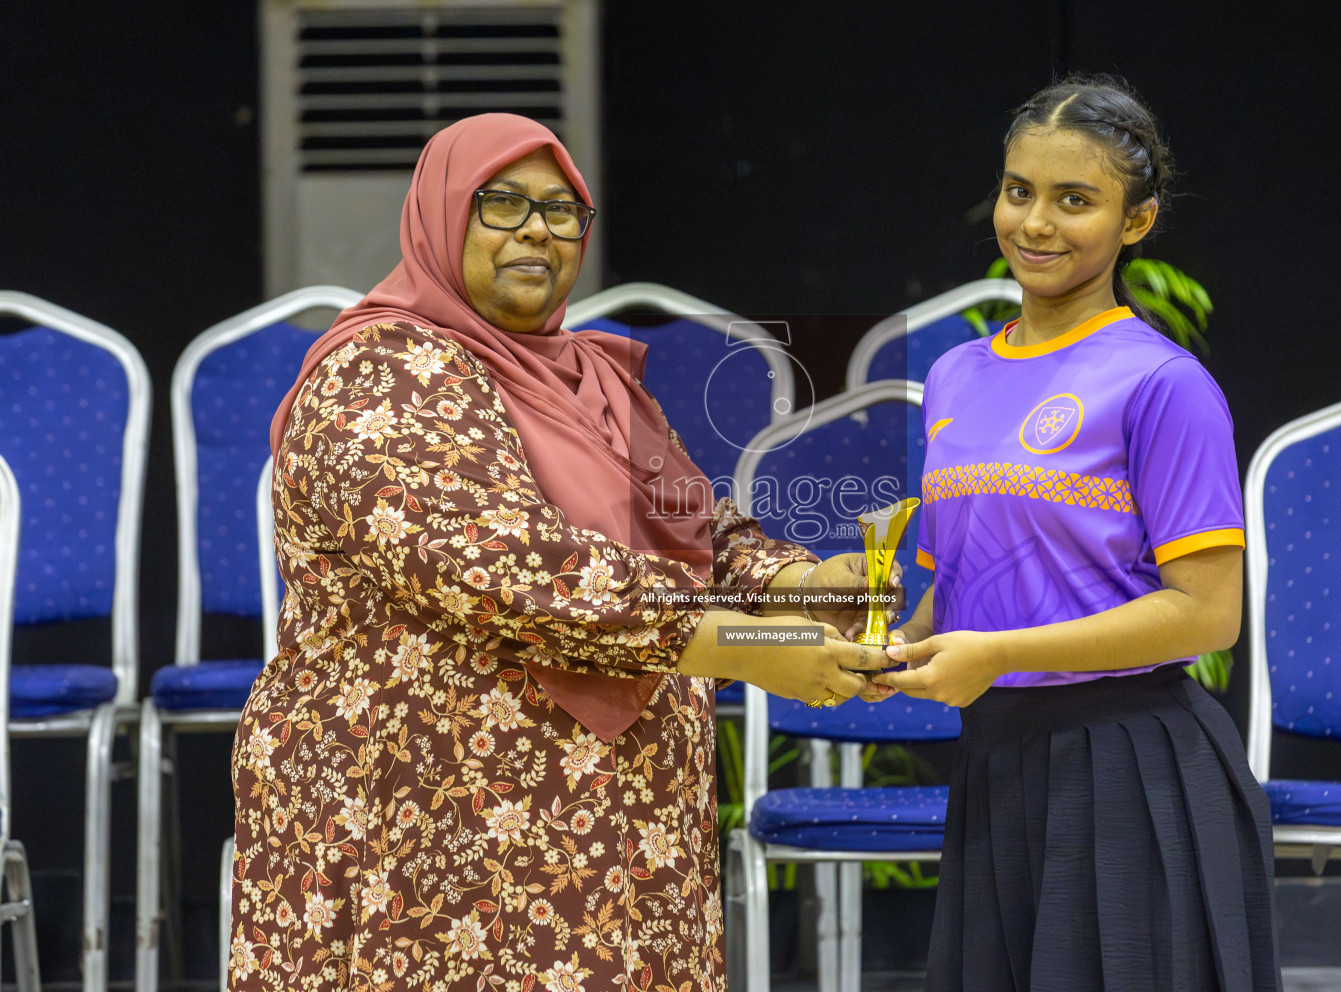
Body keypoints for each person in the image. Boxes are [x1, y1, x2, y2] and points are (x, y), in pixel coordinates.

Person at [229, 113, 890, 992]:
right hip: (428, 822)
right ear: (440, 214)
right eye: (501, 204)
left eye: (562, 210)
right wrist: (758, 646)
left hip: (613, 829)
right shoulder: (379, 372)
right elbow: (508, 572)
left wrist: (809, 586)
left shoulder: (593, 380)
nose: (538, 229)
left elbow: (699, 532)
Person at [881, 77, 1281, 990]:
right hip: (995, 765)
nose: (1036, 224)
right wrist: (889, 651)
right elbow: (962, 589)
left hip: (1131, 770)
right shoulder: (953, 375)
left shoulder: (1163, 383)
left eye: (1076, 201)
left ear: (1135, 223)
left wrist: (997, 651)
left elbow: (1207, 616)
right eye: (1019, 191)